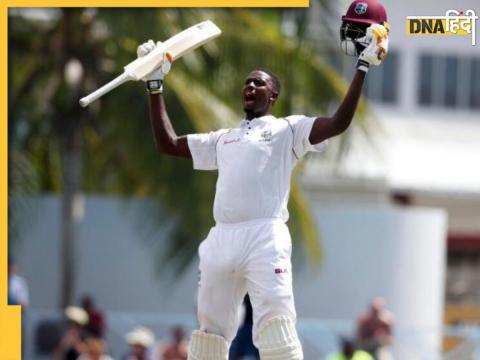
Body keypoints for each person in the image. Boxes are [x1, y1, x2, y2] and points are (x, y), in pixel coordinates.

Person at [138, 1, 389, 358]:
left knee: (275, 328)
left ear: (273, 96)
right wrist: (155, 83)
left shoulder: (289, 129)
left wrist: (362, 67)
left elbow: (338, 123)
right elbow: (167, 144)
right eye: (247, 82)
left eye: (259, 82)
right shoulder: (222, 138)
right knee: (209, 335)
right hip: (222, 236)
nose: (250, 86)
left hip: (264, 235)